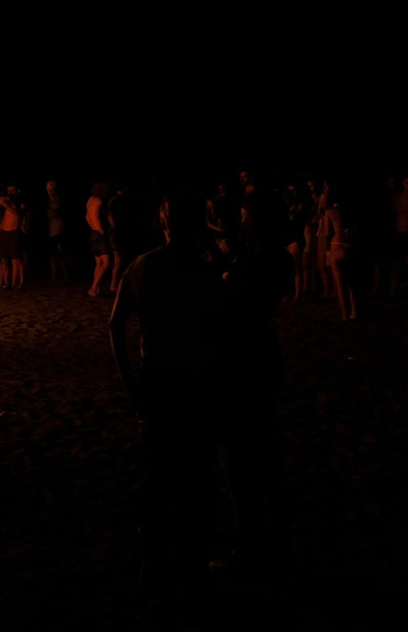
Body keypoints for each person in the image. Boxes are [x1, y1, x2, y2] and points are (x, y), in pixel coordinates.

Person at [109, 190, 226, 599]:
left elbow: (115, 325)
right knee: (197, 480)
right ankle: (192, 568)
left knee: (158, 479)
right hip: (198, 385)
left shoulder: (143, 266)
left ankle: (154, 566)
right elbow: (222, 333)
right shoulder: (207, 274)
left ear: (163, 223)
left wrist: (130, 385)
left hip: (157, 382)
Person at [213, 186, 295, 581]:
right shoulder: (275, 258)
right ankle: (272, 530)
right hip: (260, 354)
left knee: (241, 451)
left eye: (245, 215)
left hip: (242, 358)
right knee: (261, 446)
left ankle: (250, 538)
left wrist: (222, 272)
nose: (241, 221)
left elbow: (228, 305)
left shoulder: (260, 262)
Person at [323, 182, 357, 321]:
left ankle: (344, 314)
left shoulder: (329, 212)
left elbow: (327, 232)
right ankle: (355, 312)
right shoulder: (349, 211)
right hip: (348, 247)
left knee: (339, 283)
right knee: (350, 284)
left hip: (336, 246)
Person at [0, 185, 26, 290]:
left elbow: (17, 214)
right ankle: (5, 283)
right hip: (4, 232)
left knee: (15, 259)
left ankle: (15, 283)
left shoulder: (20, 203)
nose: (10, 193)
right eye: (8, 191)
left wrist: (5, 205)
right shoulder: (5, 202)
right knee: (3, 259)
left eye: (12, 191)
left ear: (17, 191)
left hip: (14, 232)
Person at [86, 182, 111, 297]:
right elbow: (95, 215)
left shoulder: (90, 199)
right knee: (106, 263)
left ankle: (96, 288)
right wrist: (100, 229)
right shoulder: (99, 201)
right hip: (98, 233)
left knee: (99, 263)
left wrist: (93, 227)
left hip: (92, 233)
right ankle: (93, 288)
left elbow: (87, 216)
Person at [108, 182, 133, 293]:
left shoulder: (118, 200)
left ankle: (115, 283)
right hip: (115, 233)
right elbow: (110, 215)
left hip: (117, 232)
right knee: (118, 259)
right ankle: (113, 285)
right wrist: (115, 228)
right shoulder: (114, 200)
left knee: (119, 259)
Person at [44, 180, 69, 283]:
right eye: (50, 190)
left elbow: (54, 213)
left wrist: (50, 213)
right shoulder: (45, 202)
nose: (51, 192)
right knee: (52, 255)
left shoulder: (59, 200)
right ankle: (54, 276)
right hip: (48, 231)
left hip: (58, 230)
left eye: (53, 190)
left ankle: (66, 276)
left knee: (60, 255)